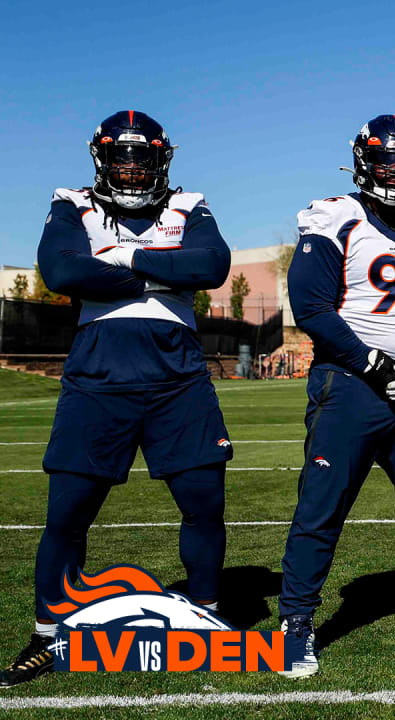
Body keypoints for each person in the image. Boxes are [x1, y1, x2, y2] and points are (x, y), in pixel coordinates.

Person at [1, 110, 232, 687]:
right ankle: (48, 632)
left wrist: (121, 260)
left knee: (204, 502)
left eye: (143, 158)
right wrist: (163, 274)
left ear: (162, 159)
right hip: (97, 381)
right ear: (100, 158)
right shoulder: (70, 204)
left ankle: (206, 615)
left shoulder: (189, 204)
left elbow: (212, 265)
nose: (131, 170)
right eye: (121, 158)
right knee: (68, 514)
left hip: (178, 379)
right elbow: (58, 270)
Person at [276, 114, 395, 679]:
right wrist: (374, 363)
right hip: (353, 385)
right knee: (323, 504)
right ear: (362, 161)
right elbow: (311, 308)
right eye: (385, 160)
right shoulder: (336, 216)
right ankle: (297, 621)